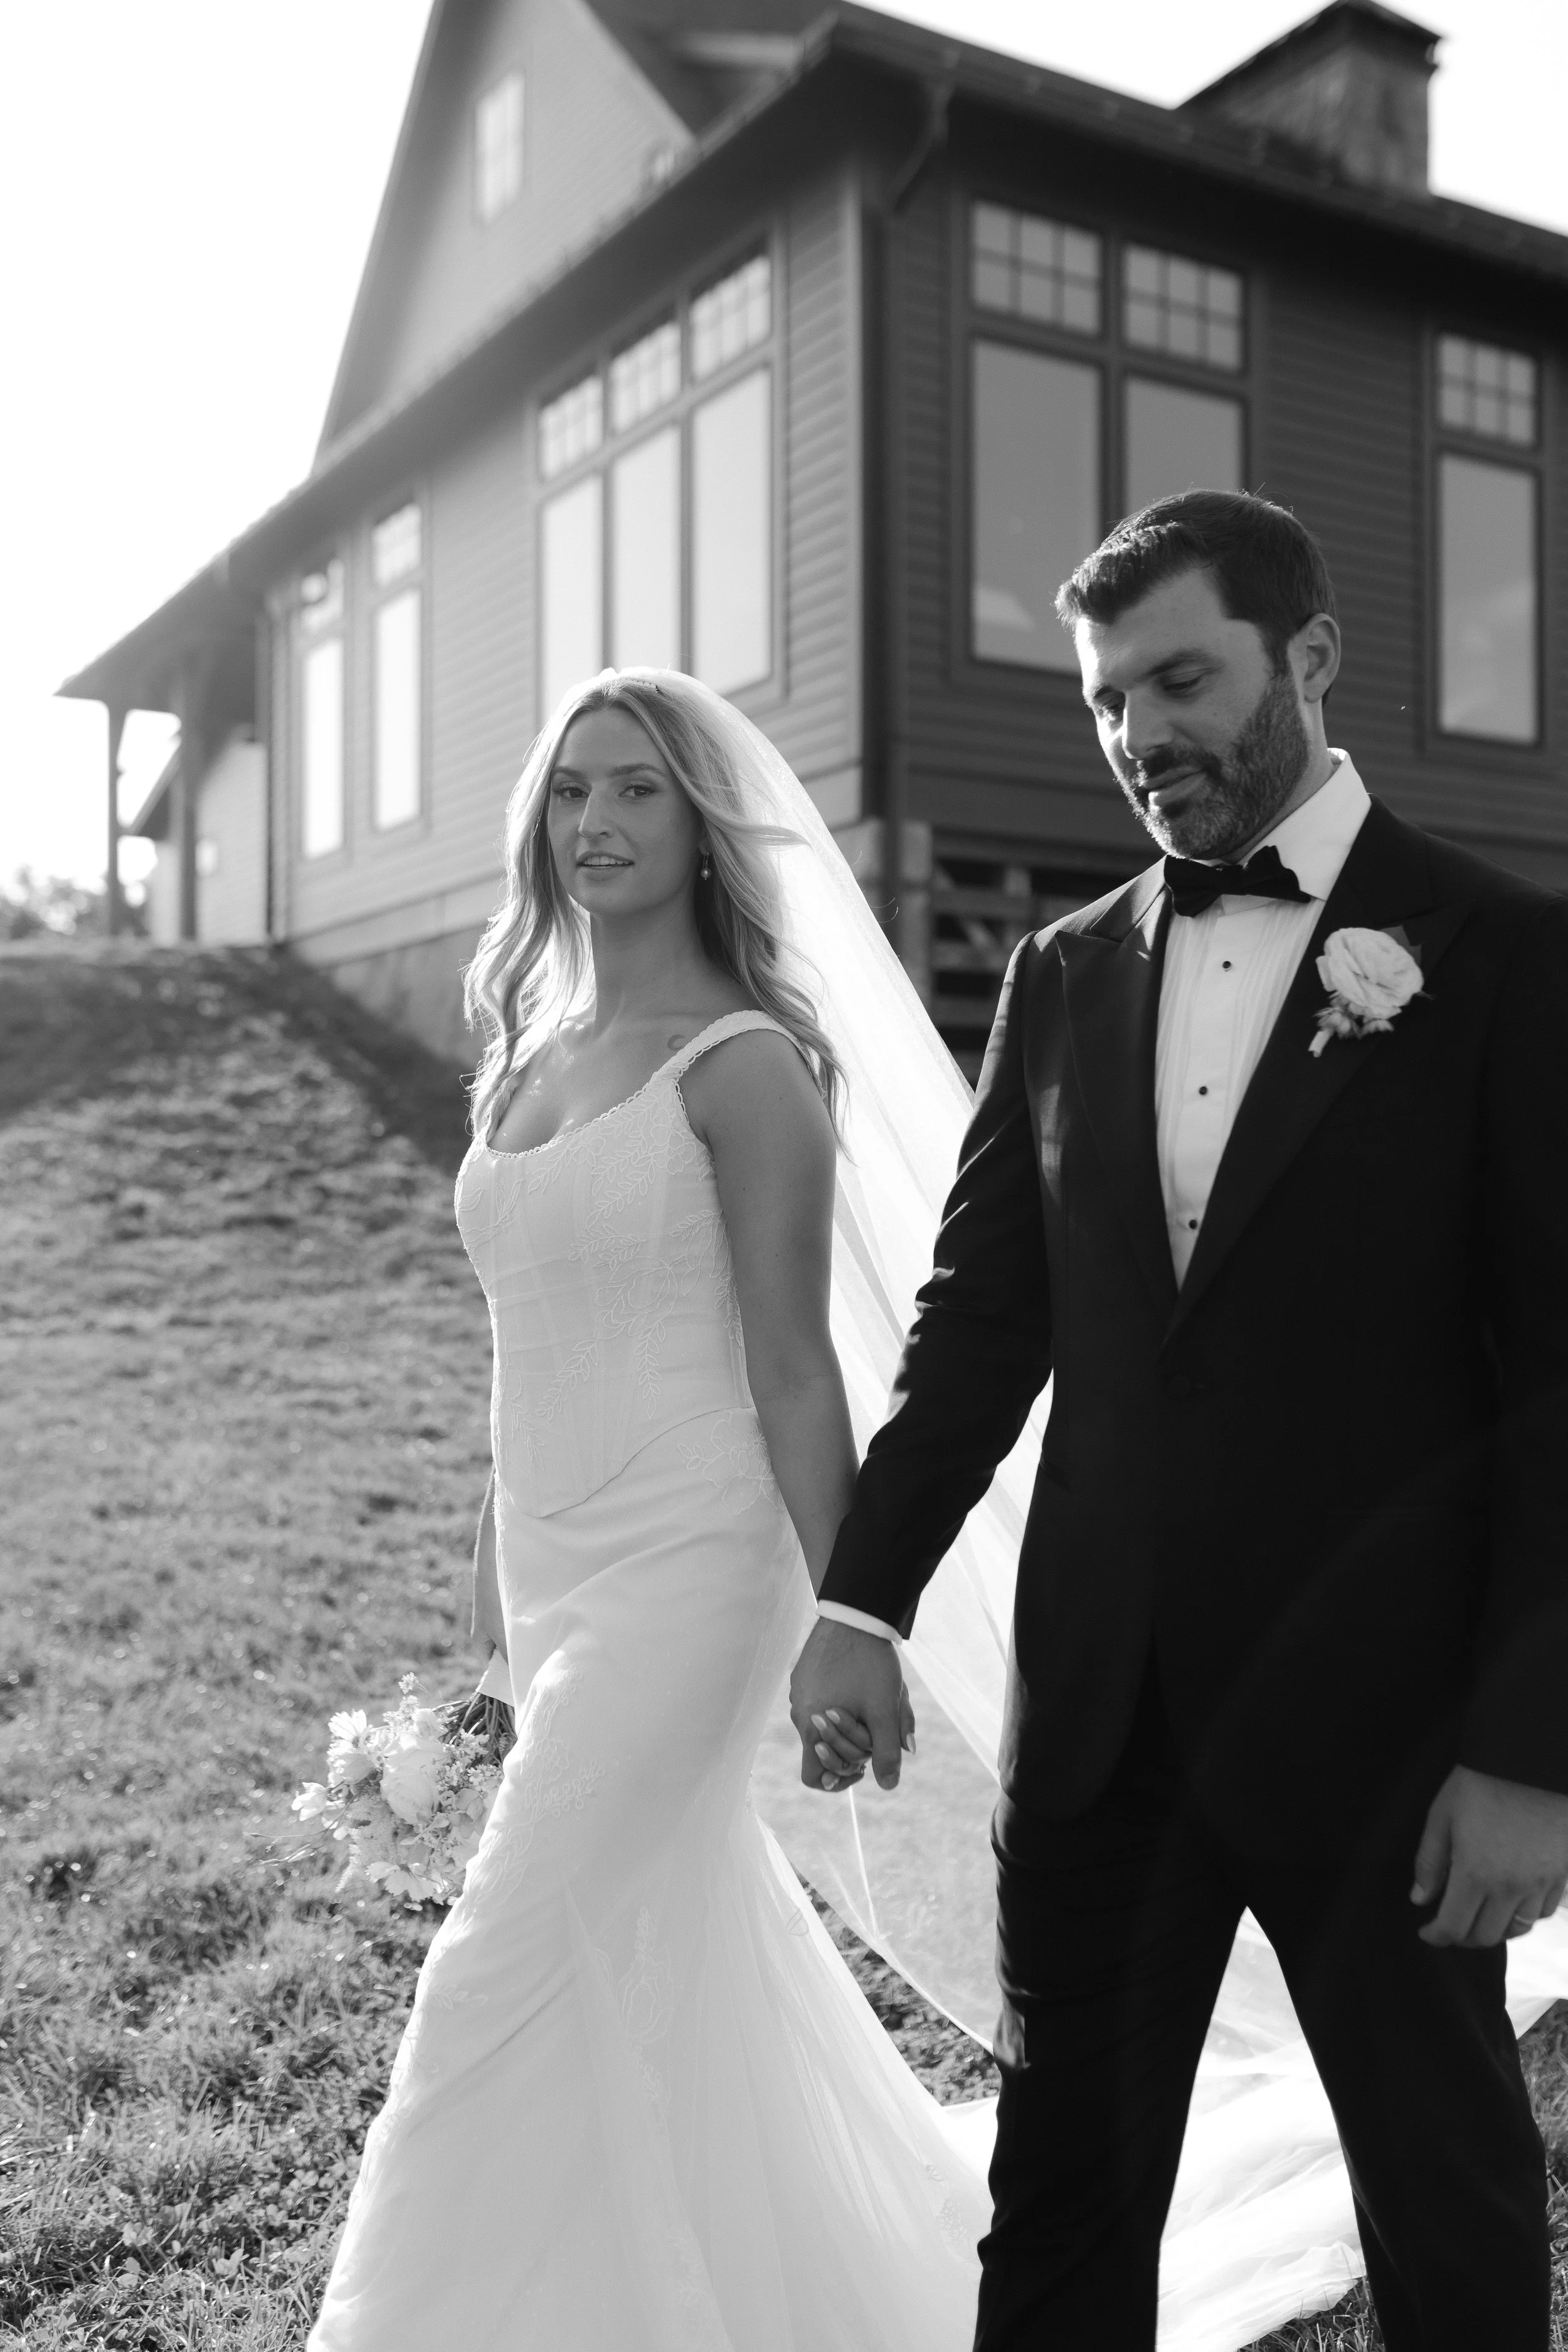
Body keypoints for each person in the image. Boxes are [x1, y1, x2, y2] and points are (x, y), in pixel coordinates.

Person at [792, 489, 1568, 2351]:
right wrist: (861, 1597)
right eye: (1105, 701)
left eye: (1180, 677)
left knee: (1445, 2200)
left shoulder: (1505, 958)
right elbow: (981, 1324)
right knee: (1058, 2200)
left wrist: (1531, 1747)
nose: (1140, 732)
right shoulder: (1062, 977)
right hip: (1102, 1721)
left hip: (1390, 1742)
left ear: (1305, 658)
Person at [307, 668, 988, 2351]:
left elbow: (794, 1369)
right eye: (571, 793)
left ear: (700, 831)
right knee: (652, 1938)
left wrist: (854, 1614)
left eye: (637, 793)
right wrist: (482, 1627)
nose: (596, 825)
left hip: (694, 1558)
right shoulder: (523, 1058)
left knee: (506, 1946)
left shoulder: (747, 1066)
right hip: (550, 1556)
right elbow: (513, 1345)